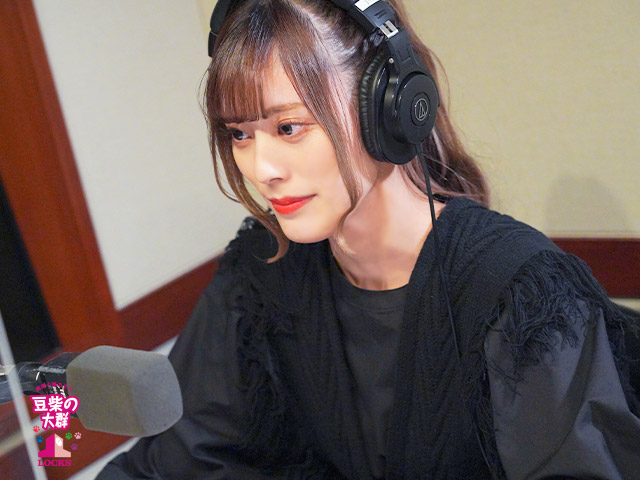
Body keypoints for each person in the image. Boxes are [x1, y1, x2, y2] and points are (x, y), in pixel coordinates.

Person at [98, 0, 640, 478]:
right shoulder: (261, 272)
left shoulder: (516, 290)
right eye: (239, 134)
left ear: (387, 109)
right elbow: (177, 457)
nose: (262, 169)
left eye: (288, 128)